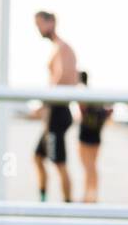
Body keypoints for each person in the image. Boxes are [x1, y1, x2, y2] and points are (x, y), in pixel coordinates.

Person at [30, 11, 79, 201]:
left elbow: (64, 76)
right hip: (52, 111)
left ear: (51, 22)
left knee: (59, 163)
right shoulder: (57, 48)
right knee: (37, 156)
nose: (38, 29)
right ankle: (43, 201)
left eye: (40, 24)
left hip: (58, 111)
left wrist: (45, 102)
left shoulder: (62, 47)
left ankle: (68, 207)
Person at [76, 71, 113, 203]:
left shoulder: (81, 93)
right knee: (92, 167)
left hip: (85, 134)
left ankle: (89, 196)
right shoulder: (95, 95)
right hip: (96, 134)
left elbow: (82, 109)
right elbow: (108, 111)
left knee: (88, 167)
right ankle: (91, 195)